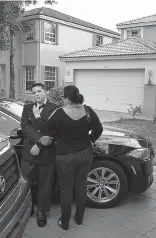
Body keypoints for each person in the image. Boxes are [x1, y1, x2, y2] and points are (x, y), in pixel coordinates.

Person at [46, 85, 103, 230]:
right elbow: (99, 129)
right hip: (85, 153)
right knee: (81, 186)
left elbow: (47, 130)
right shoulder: (88, 110)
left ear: (65, 98)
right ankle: (79, 218)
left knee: (66, 189)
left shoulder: (59, 113)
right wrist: (90, 139)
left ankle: (64, 222)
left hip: (65, 156)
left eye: (63, 98)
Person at [20, 83, 58, 227]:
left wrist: (40, 145)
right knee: (27, 183)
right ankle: (27, 208)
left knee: (45, 184)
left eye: (39, 91)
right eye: (34, 92)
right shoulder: (27, 108)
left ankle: (41, 211)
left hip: (46, 153)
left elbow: (53, 131)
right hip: (29, 152)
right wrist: (37, 141)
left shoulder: (55, 109)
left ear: (46, 92)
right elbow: (24, 126)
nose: (37, 94)